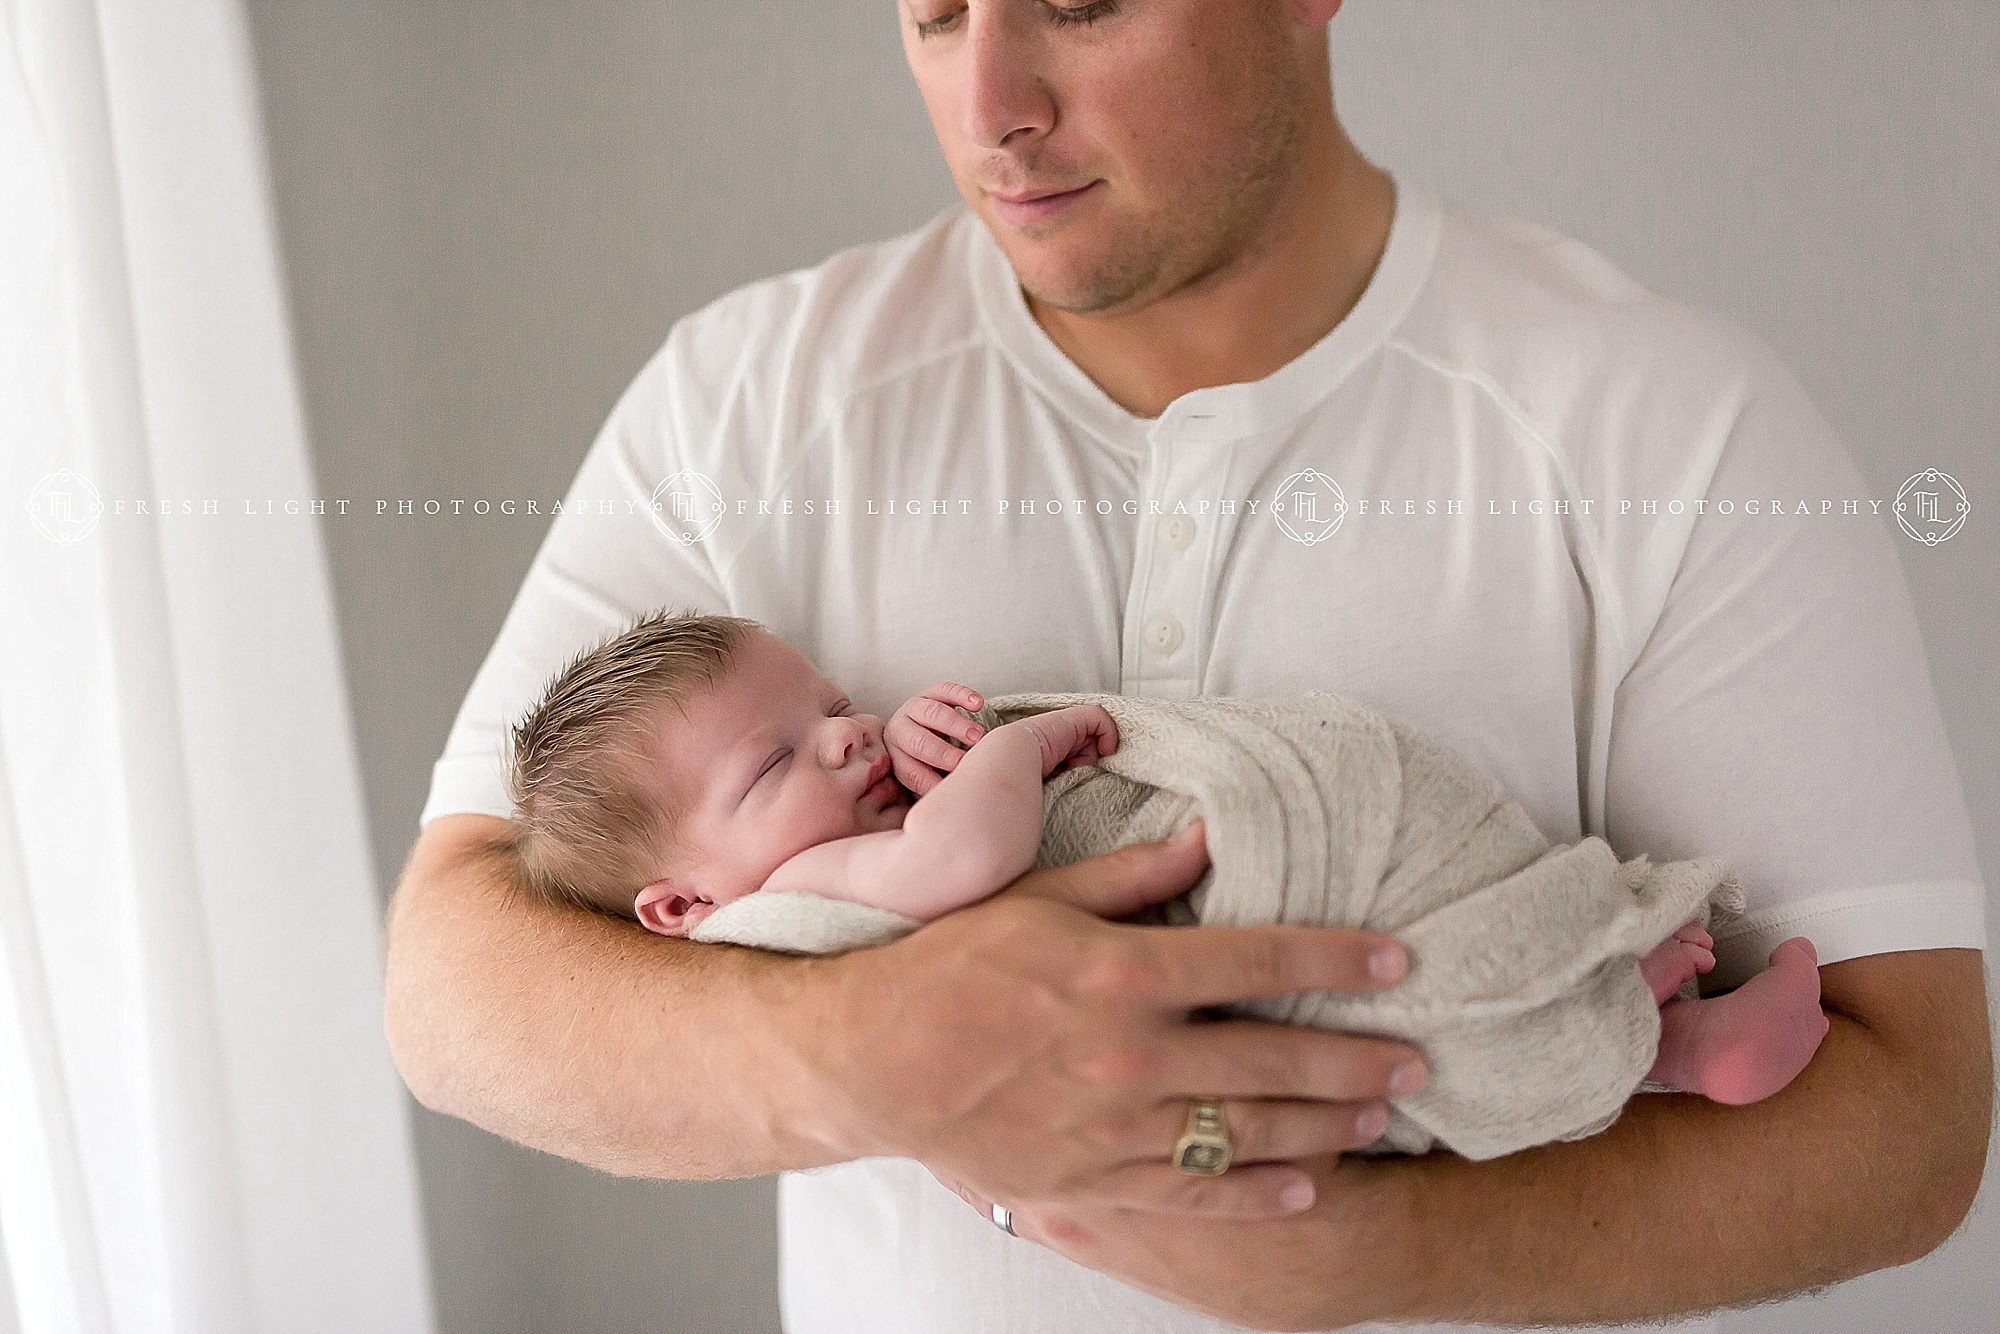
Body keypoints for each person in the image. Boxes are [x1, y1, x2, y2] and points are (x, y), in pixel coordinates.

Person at [385, 2, 1991, 1330]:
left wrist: (1374, 1248)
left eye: (1078, 0)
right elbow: (456, 978)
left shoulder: (1667, 423)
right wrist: (869, 1051)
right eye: (935, 11)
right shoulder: (746, 401)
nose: (989, 101)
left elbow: (1912, 1123)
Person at [505, 610, 1829, 1117]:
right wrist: (1014, 753)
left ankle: (1652, 1024)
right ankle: (1631, 1008)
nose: (847, 731)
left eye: (834, 701)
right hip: (1232, 991)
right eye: (775, 760)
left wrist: (898, 744)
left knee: (1402, 1037)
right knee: (1393, 996)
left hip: (1202, 995)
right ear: (685, 904)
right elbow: (963, 855)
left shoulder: (817, 839)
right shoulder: (794, 907)